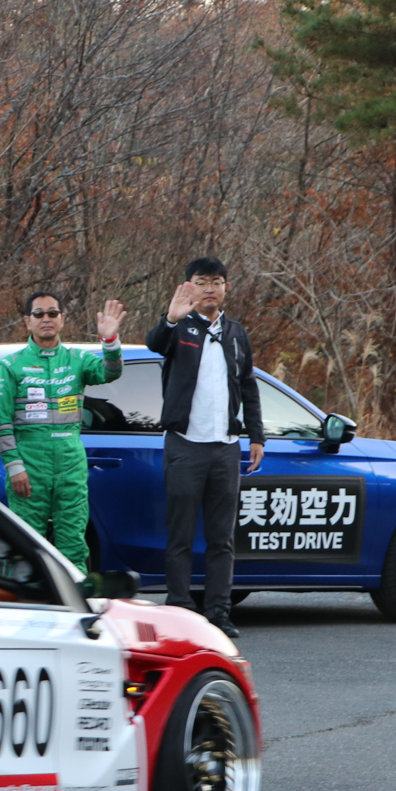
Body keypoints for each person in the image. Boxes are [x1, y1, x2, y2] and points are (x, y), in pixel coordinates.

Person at [145, 257, 263, 637]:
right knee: (180, 534)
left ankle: (218, 612)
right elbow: (154, 345)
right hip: (185, 446)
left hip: (226, 447)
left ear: (226, 288)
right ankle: (179, 611)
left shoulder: (236, 333)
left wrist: (256, 435)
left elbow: (248, 385)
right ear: (188, 286)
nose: (209, 288)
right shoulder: (179, 328)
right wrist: (170, 317)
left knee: (221, 538)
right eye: (201, 281)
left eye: (216, 282)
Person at [0, 290, 126, 571]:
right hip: (30, 462)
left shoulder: (77, 359)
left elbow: (110, 372)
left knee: (74, 544)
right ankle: (24, 610)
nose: (46, 319)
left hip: (70, 463)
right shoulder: (11, 365)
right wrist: (15, 467)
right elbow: (0, 420)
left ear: (63, 319)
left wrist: (110, 340)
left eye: (53, 313)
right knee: (25, 548)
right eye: (39, 314)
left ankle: (74, 609)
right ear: (28, 321)